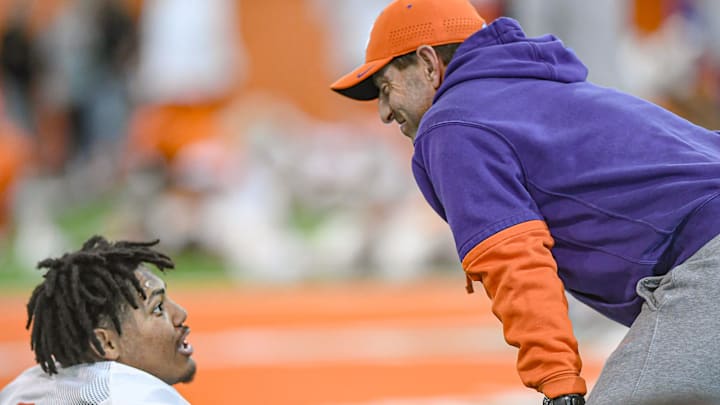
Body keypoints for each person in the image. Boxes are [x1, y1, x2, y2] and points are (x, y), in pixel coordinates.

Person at [330, 1, 720, 404]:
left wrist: (557, 381)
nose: (382, 112)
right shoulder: (537, 88)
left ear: (428, 64)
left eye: (385, 88)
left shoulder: (452, 123)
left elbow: (514, 259)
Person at [0, 236, 195, 404]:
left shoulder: (19, 389)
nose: (181, 313)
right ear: (105, 343)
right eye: (158, 308)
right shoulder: (137, 397)